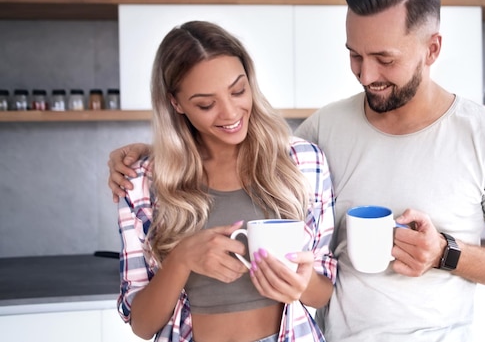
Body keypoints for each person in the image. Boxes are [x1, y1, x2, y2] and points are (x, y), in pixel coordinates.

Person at [108, 0, 485, 341]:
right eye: (355, 55)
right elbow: (244, 146)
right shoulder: (324, 131)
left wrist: (446, 254)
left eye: (384, 58)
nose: (366, 74)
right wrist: (155, 152)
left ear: (432, 48)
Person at [116, 20, 336, 342]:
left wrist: (301, 285)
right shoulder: (142, 182)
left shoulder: (303, 162)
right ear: (176, 103)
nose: (231, 112)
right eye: (206, 104)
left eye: (238, 90)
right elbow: (142, 324)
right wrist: (182, 259)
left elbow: (324, 293)